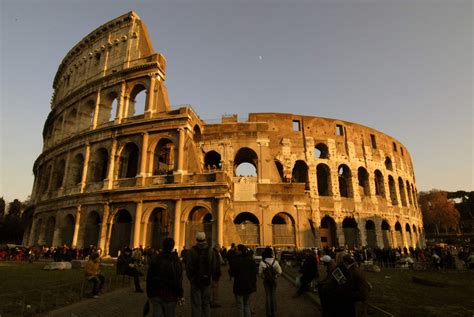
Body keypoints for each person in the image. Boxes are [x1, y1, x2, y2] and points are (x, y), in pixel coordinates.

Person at [146, 237, 183, 317]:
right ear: (173, 247)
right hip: (171, 295)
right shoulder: (176, 261)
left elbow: (149, 278)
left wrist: (149, 293)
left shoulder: (156, 259)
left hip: (156, 293)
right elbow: (178, 279)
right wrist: (180, 294)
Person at [185, 232, 217, 317]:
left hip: (195, 280)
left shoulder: (192, 251)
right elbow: (214, 266)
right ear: (205, 239)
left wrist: (191, 278)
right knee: (206, 303)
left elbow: (188, 267)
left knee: (196, 304)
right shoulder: (211, 250)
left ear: (196, 239)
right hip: (207, 280)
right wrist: (210, 276)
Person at [229, 244, 257, 317]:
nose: (236, 251)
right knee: (246, 304)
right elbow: (254, 273)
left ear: (240, 251)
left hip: (239, 285)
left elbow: (232, 273)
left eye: (237, 250)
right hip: (249, 285)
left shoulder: (236, 260)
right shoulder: (251, 260)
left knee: (240, 306)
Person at [258, 247, 282, 317]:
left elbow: (259, 273)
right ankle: (274, 311)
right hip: (274, 280)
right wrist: (276, 276)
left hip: (266, 281)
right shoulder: (275, 262)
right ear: (271, 253)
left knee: (268, 296)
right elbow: (280, 272)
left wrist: (263, 277)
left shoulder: (262, 262)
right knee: (273, 295)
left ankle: (268, 313)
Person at [210, 244, 223, 308]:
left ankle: (214, 301)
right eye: (219, 247)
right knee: (214, 287)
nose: (220, 248)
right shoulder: (215, 254)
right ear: (217, 248)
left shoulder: (215, 253)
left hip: (215, 273)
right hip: (215, 274)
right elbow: (216, 264)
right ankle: (214, 301)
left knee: (214, 287)